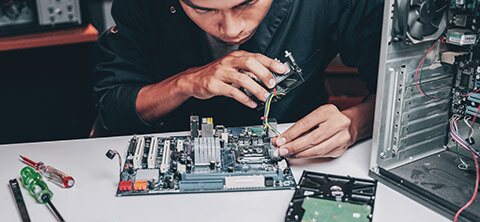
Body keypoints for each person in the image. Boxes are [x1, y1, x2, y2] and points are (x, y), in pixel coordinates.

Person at [93, 0, 383, 158]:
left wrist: (356, 124)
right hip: (181, 165)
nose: (231, 30)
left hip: (297, 157)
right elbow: (113, 106)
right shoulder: (142, 5)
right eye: (203, 9)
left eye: (247, 3)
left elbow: (397, 93)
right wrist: (186, 83)